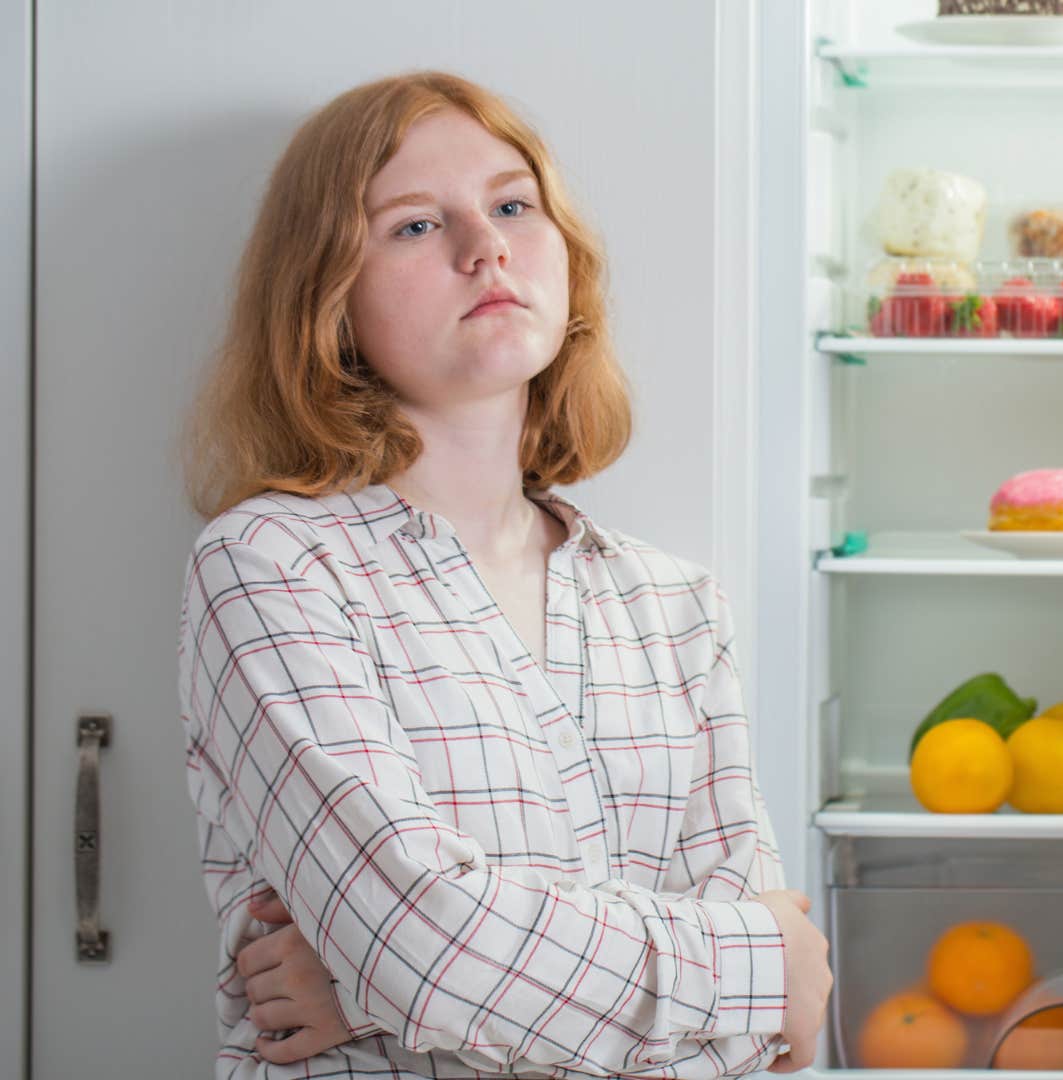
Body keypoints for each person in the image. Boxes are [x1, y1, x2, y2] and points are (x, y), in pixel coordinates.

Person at [177, 71, 830, 1079]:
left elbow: (764, 1043)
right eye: (413, 226)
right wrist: (761, 958)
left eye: (513, 205)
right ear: (327, 299)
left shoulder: (672, 603)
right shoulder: (271, 567)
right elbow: (429, 945)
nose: (486, 248)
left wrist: (366, 986)